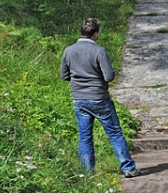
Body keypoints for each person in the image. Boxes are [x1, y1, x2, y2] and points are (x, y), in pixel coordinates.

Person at [60, 18, 141, 178]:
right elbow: (109, 76)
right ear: (95, 33)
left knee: (84, 136)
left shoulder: (68, 51)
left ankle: (87, 173)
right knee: (115, 133)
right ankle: (128, 168)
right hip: (99, 98)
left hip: (79, 99)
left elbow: (64, 75)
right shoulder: (99, 51)